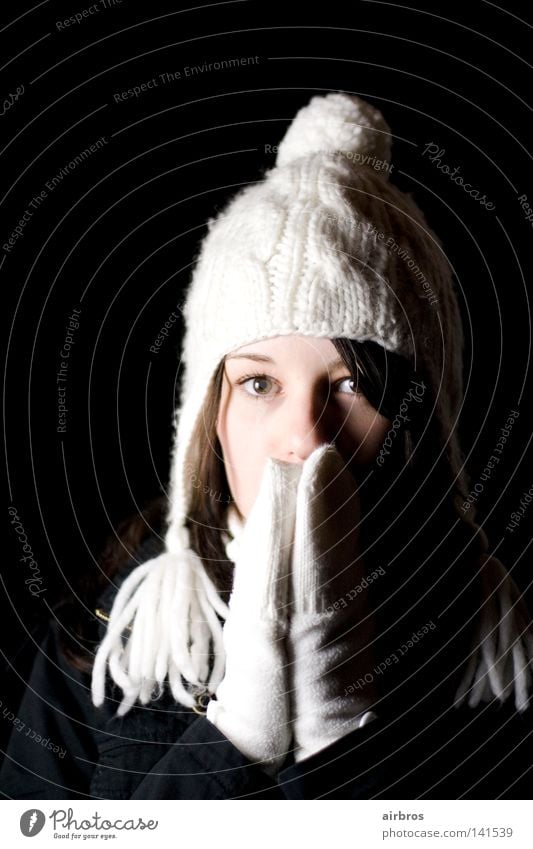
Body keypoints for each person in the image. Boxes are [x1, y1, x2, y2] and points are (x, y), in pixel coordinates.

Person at [2, 92, 533, 800]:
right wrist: (237, 741)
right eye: (258, 384)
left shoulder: (489, 648)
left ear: (416, 419)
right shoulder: (113, 626)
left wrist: (342, 735)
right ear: (209, 416)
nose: (305, 437)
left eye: (349, 385)